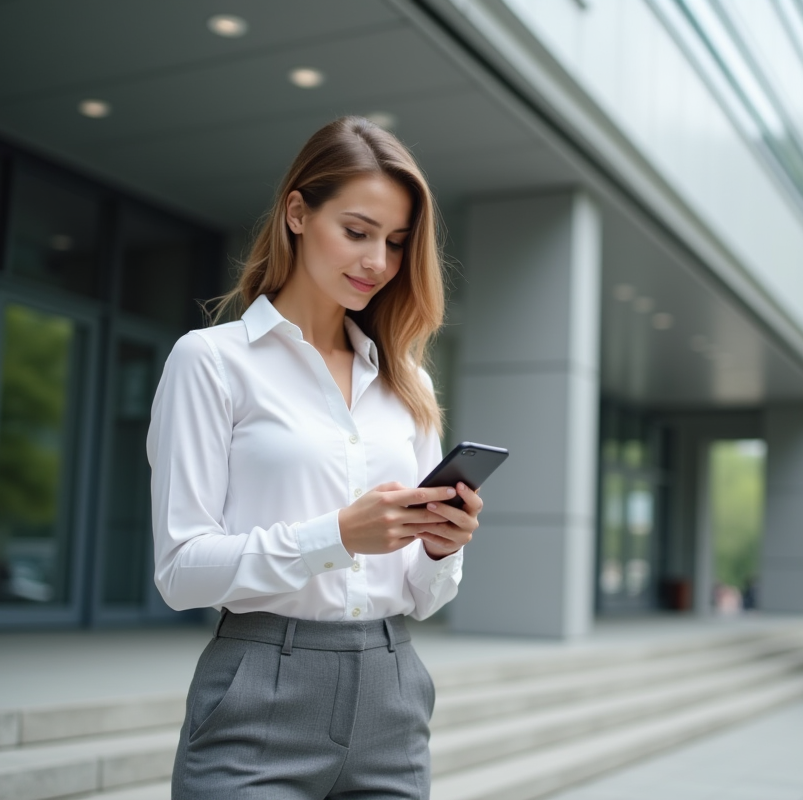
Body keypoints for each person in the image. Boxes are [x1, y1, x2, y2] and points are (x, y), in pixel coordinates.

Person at [147, 116, 483, 799]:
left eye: (394, 243)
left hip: (393, 692)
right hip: (258, 691)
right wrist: (334, 536)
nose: (377, 263)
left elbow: (420, 596)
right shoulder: (212, 363)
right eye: (356, 232)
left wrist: (443, 551)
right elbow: (181, 571)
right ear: (298, 212)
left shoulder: (407, 383)